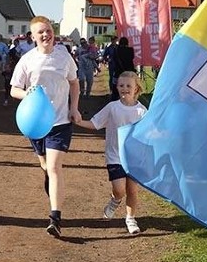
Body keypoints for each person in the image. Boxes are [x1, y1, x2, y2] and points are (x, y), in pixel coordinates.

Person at [9, 15, 80, 238]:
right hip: (36, 124)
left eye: (48, 30)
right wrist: (26, 93)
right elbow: (14, 89)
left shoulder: (63, 56)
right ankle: (49, 177)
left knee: (55, 167)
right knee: (46, 166)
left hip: (59, 122)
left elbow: (74, 83)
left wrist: (74, 108)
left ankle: (55, 218)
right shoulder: (27, 60)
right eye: (41, 32)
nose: (46, 34)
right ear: (33, 37)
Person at [74, 71, 147, 234]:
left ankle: (130, 218)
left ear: (136, 89)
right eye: (121, 85)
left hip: (134, 158)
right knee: (120, 189)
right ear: (117, 87)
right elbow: (95, 123)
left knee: (132, 190)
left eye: (129, 86)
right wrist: (79, 122)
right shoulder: (112, 107)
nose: (125, 88)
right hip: (114, 156)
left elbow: (148, 133)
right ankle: (115, 200)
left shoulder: (142, 111)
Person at [111, 37, 136, 101]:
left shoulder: (116, 50)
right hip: (128, 73)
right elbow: (131, 59)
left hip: (118, 72)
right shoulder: (130, 50)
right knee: (128, 89)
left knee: (116, 89)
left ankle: (115, 102)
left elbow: (114, 60)